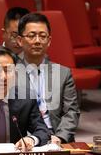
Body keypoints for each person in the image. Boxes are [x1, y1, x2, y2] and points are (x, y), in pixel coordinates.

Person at [16, 12, 80, 145]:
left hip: (56, 137)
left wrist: (60, 137)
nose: (38, 41)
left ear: (49, 41)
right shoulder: (9, 72)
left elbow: (71, 111)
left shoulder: (63, 73)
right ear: (20, 41)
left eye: (43, 36)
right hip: (23, 139)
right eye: (32, 36)